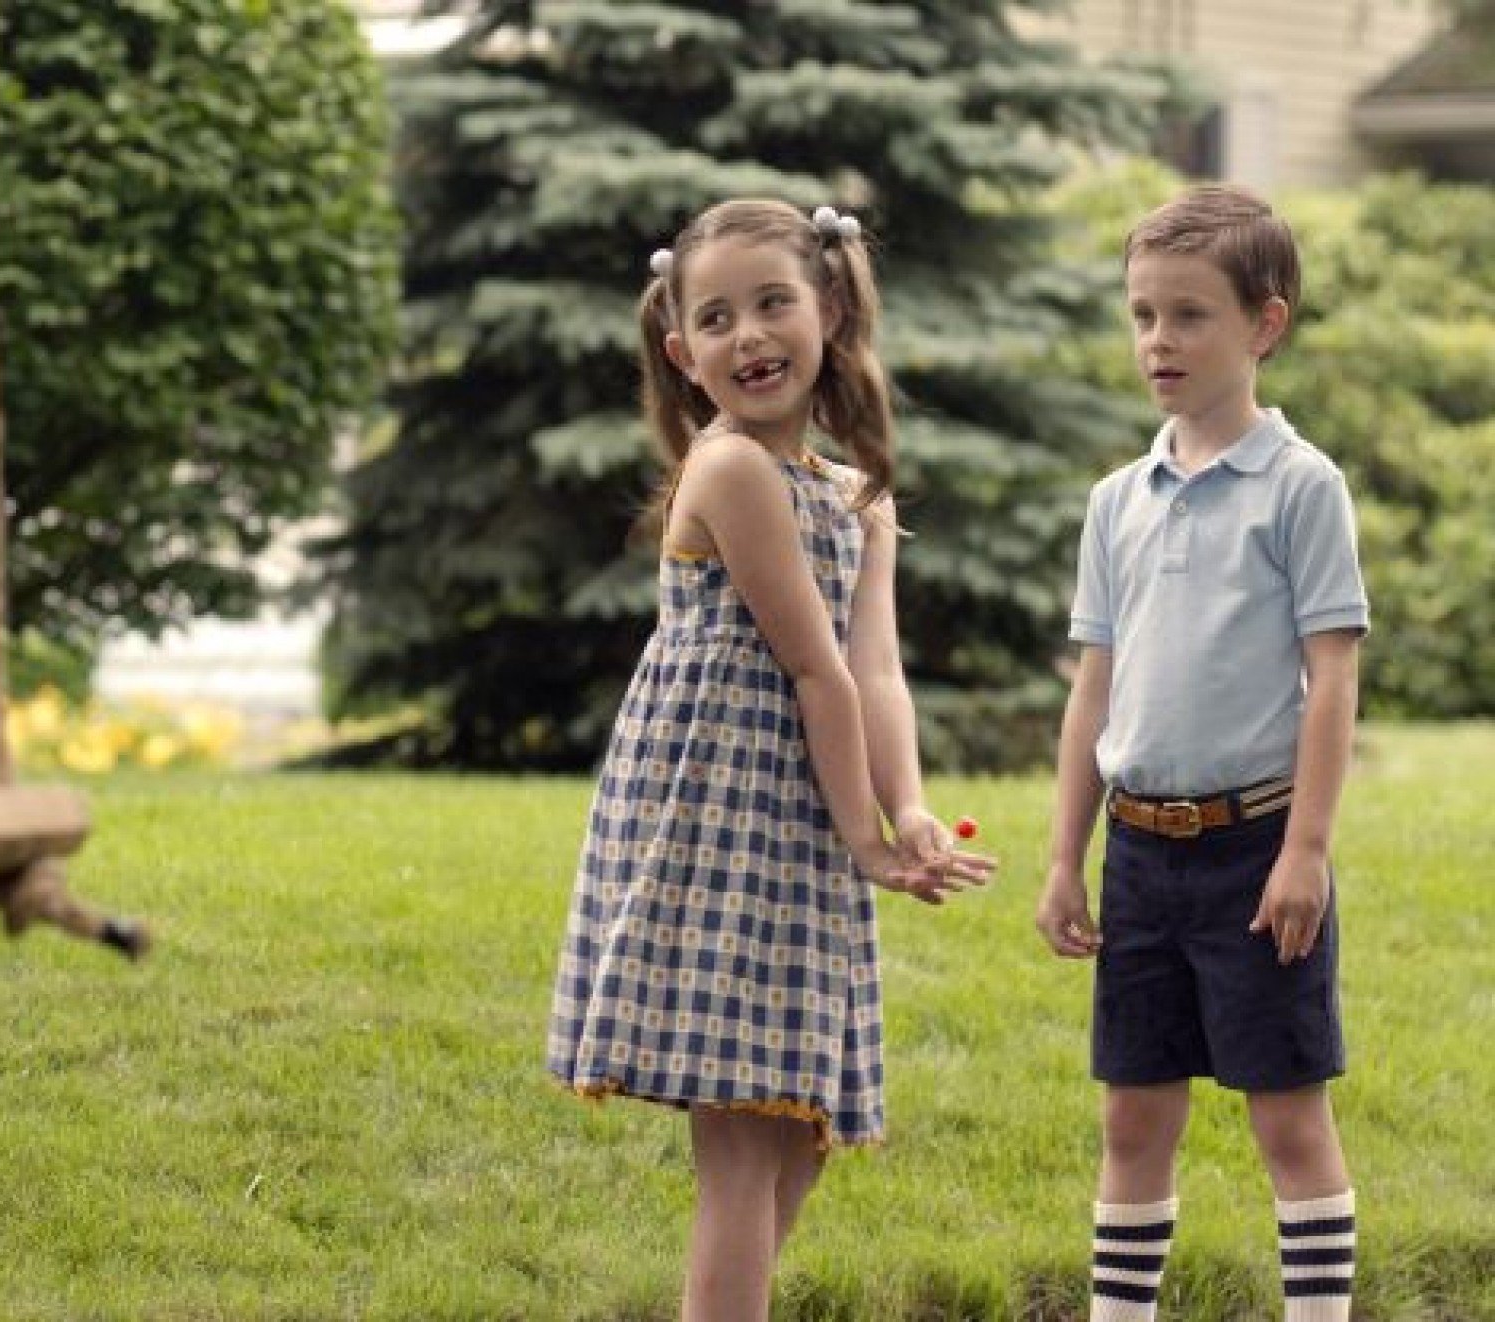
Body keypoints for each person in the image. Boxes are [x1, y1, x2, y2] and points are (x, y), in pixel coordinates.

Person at [546, 198, 995, 1322]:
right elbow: (813, 672)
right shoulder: (734, 469)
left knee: (800, 1138)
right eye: (716, 316)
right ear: (680, 352)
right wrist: (870, 842)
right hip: (725, 820)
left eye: (773, 303)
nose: (749, 335)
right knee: (746, 1148)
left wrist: (912, 807)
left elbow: (875, 671)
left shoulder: (855, 497)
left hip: (809, 817)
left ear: (829, 310)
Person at [1036, 183, 1368, 1322]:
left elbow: (1333, 678)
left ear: (1263, 324)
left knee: (1286, 1113)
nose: (1158, 342)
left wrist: (1306, 851)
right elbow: (1094, 697)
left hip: (1256, 852)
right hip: (1139, 856)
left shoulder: (1301, 487)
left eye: (1188, 315)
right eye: (1141, 315)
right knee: (1133, 1117)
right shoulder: (1115, 501)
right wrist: (1062, 859)